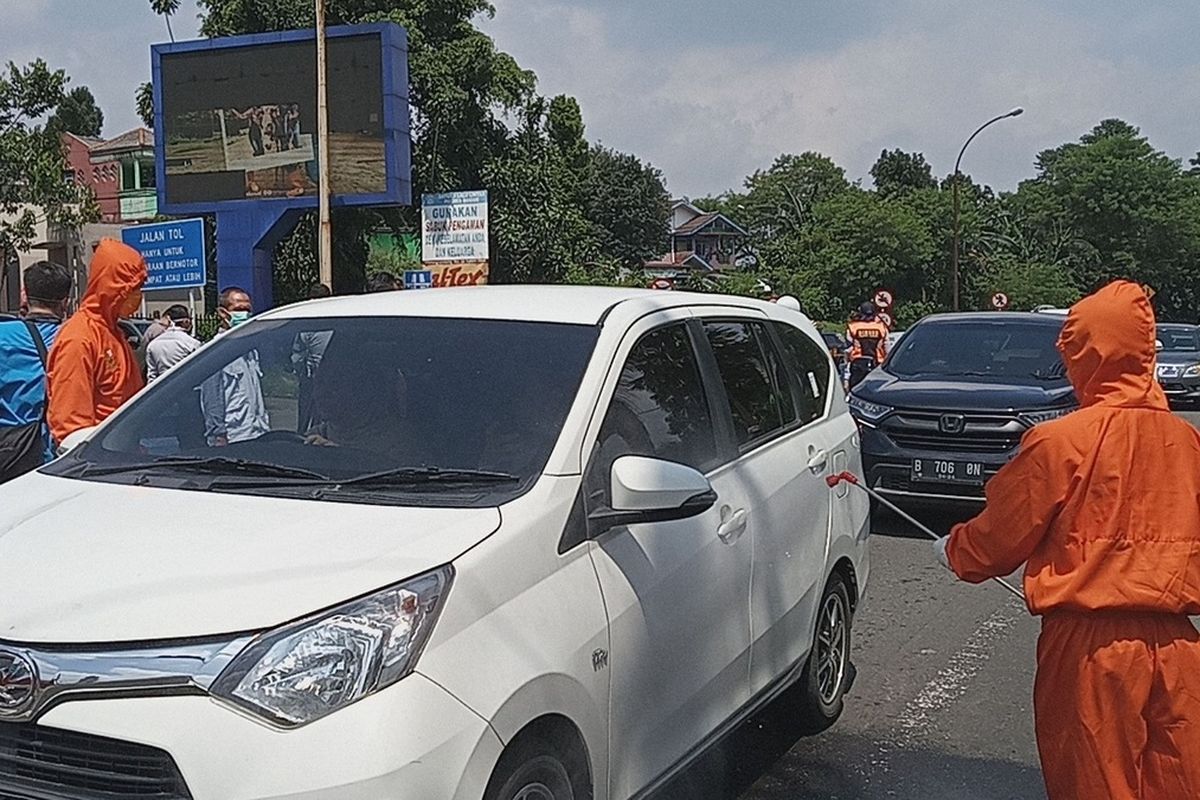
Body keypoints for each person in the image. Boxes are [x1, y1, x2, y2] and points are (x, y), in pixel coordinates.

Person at [935, 281, 1200, 800]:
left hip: (1089, 649)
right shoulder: (1187, 443)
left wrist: (953, 550)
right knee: (1180, 784)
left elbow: (999, 536)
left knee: (1094, 784)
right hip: (1178, 645)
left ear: (1084, 356)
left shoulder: (1062, 441)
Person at [46, 240, 147, 445]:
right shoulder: (79, 338)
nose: (137, 295)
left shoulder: (114, 333)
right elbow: (70, 426)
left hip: (123, 456)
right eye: (133, 288)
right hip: (98, 462)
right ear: (112, 286)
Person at [0, 261, 72, 481]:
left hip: (9, 452)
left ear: (25, 295)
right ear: (65, 302)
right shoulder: (75, 337)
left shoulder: (4, 336)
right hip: (62, 455)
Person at [199, 287, 269, 446]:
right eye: (238, 309)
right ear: (223, 313)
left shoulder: (250, 349)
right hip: (232, 437)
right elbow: (212, 397)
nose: (244, 314)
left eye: (247, 309)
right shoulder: (215, 351)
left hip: (257, 432)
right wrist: (218, 433)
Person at [292, 283, 334, 433]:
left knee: (307, 415)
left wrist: (300, 371)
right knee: (320, 415)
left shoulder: (307, 321)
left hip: (313, 376)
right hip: (327, 377)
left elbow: (297, 353)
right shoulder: (337, 319)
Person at [145, 304, 200, 381]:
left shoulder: (153, 345)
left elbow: (152, 376)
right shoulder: (192, 344)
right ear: (186, 322)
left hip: (161, 388)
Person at [846, 301, 889, 389]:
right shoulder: (881, 327)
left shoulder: (853, 327)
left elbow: (849, 345)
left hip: (858, 363)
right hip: (877, 365)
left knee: (855, 389)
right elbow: (887, 347)